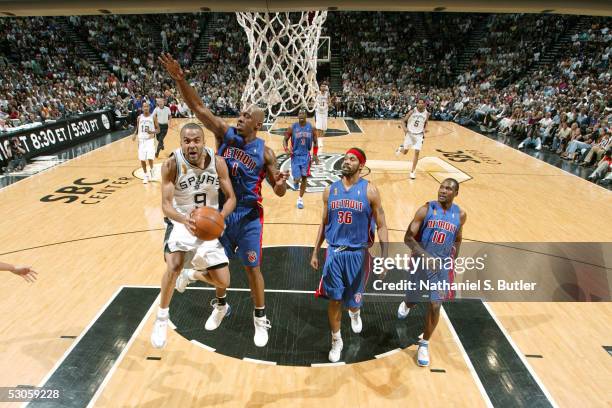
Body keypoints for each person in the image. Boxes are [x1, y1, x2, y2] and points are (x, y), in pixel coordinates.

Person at [159, 53, 289, 347]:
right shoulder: (223, 134)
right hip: (220, 210)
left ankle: (259, 318)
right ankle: (220, 306)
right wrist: (180, 78)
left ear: (256, 123)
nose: (239, 118)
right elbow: (198, 107)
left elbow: (278, 192)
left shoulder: (266, 153)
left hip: (250, 216)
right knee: (218, 267)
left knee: (252, 267)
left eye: (245, 116)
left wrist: (280, 184)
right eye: (240, 115)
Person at [150, 123, 237, 349]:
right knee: (174, 264)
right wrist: (183, 220)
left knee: (223, 280)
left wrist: (221, 217)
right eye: (187, 141)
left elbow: (231, 198)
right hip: (181, 220)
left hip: (208, 222)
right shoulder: (171, 164)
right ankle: (161, 317)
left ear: (203, 142)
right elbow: (166, 206)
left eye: (196, 140)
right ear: (181, 144)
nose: (192, 145)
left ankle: (198, 280)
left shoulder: (217, 163)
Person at [310, 147, 389, 363]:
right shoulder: (330, 191)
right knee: (334, 300)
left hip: (358, 255)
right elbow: (324, 223)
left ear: (361, 166)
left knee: (353, 302)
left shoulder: (370, 191)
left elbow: (381, 225)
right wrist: (316, 250)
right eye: (345, 158)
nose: (346, 161)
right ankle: (337, 339)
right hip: (334, 253)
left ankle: (355, 311)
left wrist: (384, 256)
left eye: (352, 159)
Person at [397, 178, 466, 367]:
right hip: (421, 261)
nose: (443, 191)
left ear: (456, 193)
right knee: (413, 298)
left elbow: (458, 239)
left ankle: (424, 344)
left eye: (448, 189)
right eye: (442, 187)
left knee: (435, 305)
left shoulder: (460, 215)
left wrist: (453, 259)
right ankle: (408, 303)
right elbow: (408, 238)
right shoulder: (426, 210)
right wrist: (426, 256)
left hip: (442, 266)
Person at [283, 109, 319, 209]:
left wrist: (315, 154)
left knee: (304, 177)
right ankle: (295, 181)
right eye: (300, 113)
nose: (301, 115)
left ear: (306, 115)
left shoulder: (311, 128)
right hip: (295, 156)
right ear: (298, 115)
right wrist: (286, 149)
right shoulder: (292, 127)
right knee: (297, 178)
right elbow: (285, 140)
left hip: (306, 157)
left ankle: (300, 199)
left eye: (303, 113)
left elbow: (315, 142)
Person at [396, 98, 429, 180]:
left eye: (422, 103)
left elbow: (426, 122)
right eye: (419, 103)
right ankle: (401, 148)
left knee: (417, 152)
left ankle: (412, 171)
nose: (420, 104)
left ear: (425, 104)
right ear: (416, 104)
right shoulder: (412, 111)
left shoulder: (427, 113)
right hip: (410, 134)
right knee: (405, 152)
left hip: (419, 135)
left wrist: (425, 129)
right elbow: (403, 121)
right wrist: (404, 129)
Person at [131, 102, 159, 184]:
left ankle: (152, 169)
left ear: (149, 107)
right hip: (141, 140)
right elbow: (138, 127)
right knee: (142, 159)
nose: (146, 108)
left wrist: (152, 132)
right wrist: (134, 134)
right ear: (142, 108)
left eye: (147, 106)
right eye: (144, 107)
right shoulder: (139, 117)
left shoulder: (153, 117)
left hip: (150, 140)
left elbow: (158, 129)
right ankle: (146, 175)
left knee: (150, 157)